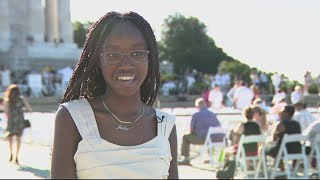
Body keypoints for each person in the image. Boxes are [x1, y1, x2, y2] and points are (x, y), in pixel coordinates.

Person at [50, 12, 178, 179]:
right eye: (113, 54)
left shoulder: (165, 125)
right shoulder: (72, 118)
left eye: (137, 53)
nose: (125, 65)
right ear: (98, 59)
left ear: (149, 57)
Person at [179, 98, 223, 166]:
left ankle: (186, 159)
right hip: (216, 138)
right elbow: (219, 126)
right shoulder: (212, 114)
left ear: (197, 106)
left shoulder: (195, 115)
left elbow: (191, 130)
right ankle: (210, 157)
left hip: (203, 139)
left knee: (185, 137)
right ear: (205, 105)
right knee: (209, 136)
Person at [3, 84, 32, 164]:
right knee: (18, 138)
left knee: (10, 138)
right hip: (20, 120)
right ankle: (17, 156)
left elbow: (6, 111)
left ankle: (11, 154)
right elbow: (29, 109)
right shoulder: (22, 99)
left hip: (11, 121)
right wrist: (22, 110)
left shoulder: (7, 100)